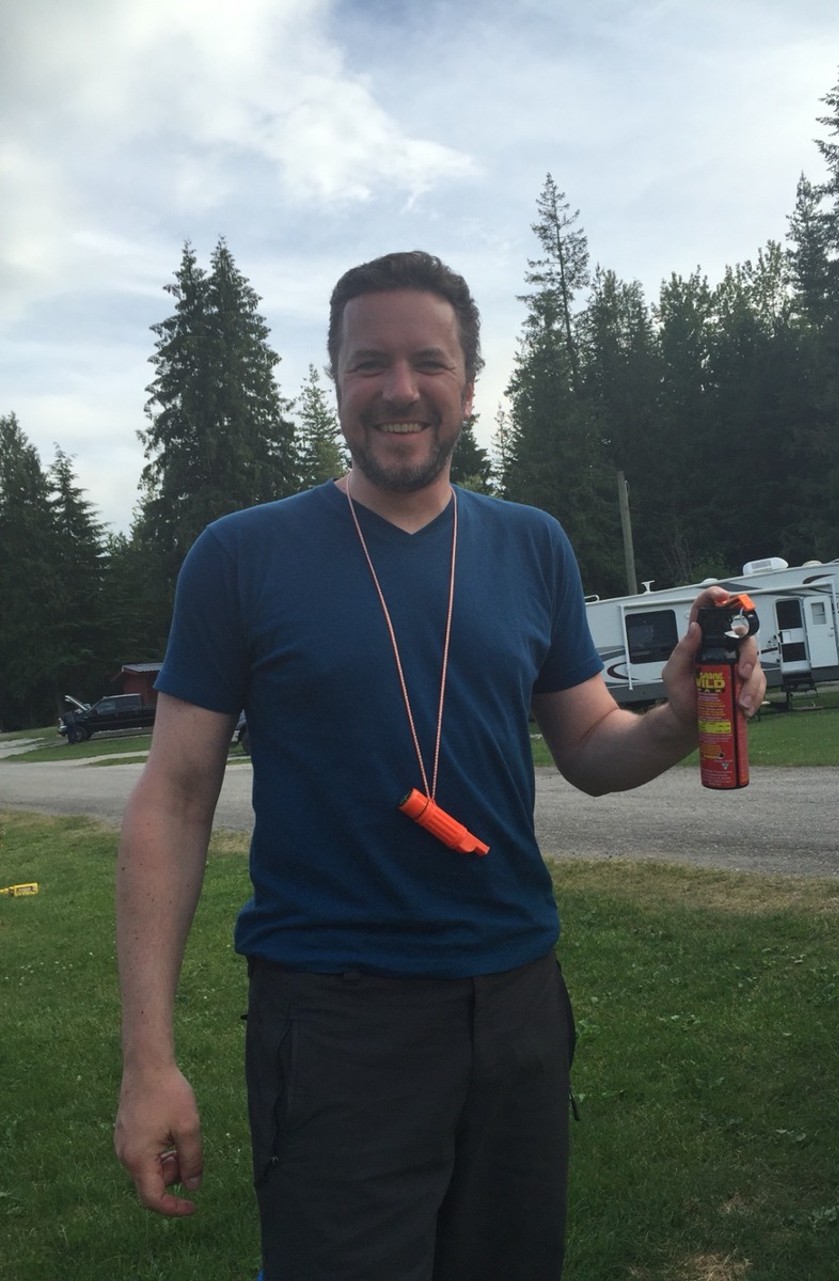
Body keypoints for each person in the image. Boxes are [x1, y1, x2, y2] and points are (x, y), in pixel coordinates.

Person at [114, 250, 766, 1281]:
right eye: (369, 363)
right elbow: (175, 796)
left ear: (469, 384)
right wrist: (148, 1059)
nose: (400, 389)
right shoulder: (242, 556)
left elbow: (592, 747)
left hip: (517, 1001)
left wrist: (682, 718)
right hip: (336, 1020)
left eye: (429, 361)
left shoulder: (532, 545)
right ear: (336, 380)